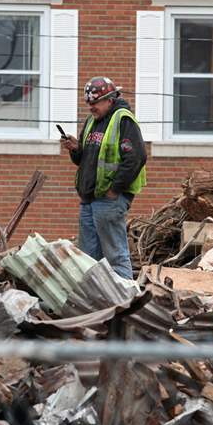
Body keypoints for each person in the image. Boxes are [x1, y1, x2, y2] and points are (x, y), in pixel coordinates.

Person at [60, 76, 147, 280]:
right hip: (89, 199)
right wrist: (75, 149)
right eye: (89, 103)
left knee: (115, 256)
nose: (91, 107)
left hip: (109, 200)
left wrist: (114, 190)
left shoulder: (123, 119)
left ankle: (126, 302)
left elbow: (136, 157)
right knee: (88, 259)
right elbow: (86, 160)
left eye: (95, 103)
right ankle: (97, 303)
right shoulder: (92, 122)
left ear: (109, 99)